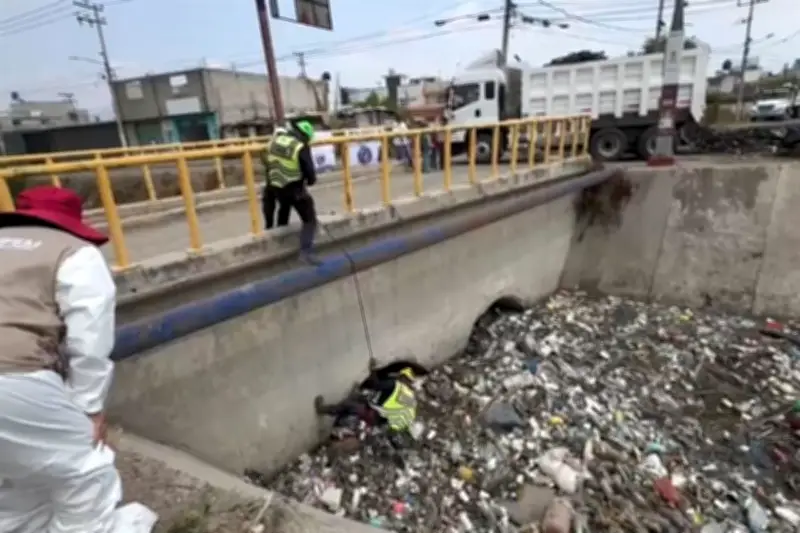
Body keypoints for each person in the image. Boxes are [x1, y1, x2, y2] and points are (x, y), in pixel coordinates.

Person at [0, 186, 157, 533]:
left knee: (11, 485)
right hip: (13, 376)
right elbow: (90, 337)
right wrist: (89, 408)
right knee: (85, 467)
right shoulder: (74, 252)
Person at [314, 361, 429, 441]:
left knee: (349, 406)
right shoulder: (409, 401)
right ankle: (356, 396)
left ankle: (323, 409)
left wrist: (373, 370)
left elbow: (375, 383)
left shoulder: (395, 385)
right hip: (380, 414)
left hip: (375, 415)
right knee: (362, 398)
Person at [263, 120, 320, 264]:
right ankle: (305, 252)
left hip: (274, 186)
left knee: (284, 207)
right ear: (305, 135)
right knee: (310, 220)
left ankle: (279, 236)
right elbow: (310, 174)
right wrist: (309, 181)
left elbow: (266, 163)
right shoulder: (300, 146)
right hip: (294, 188)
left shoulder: (273, 142)